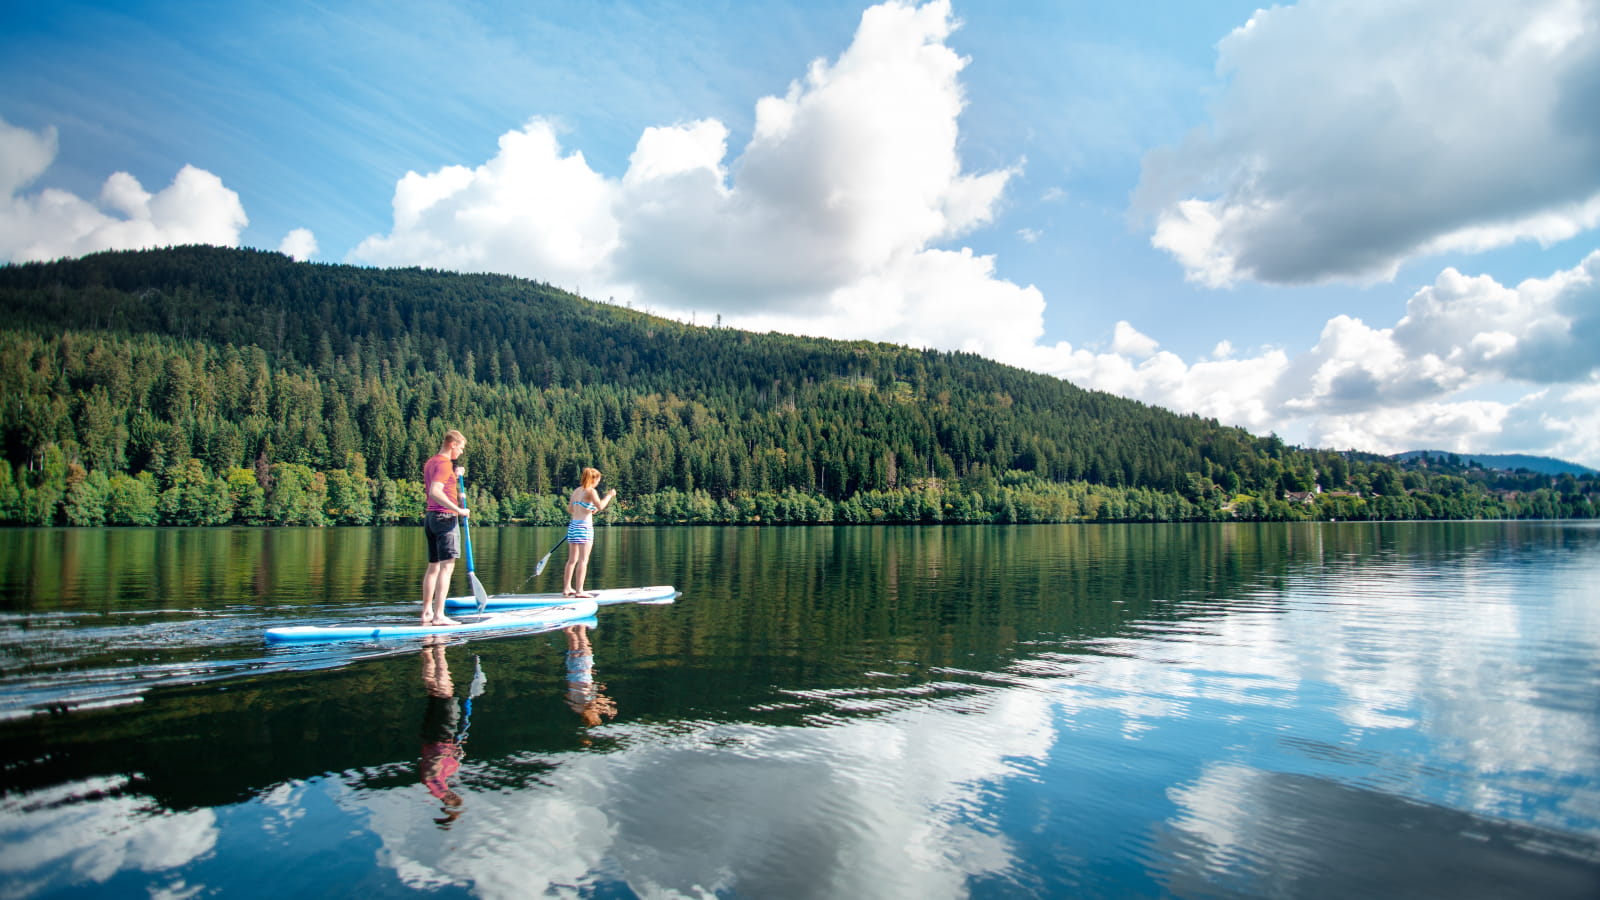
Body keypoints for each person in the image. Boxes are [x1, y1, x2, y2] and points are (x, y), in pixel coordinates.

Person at [422, 430, 469, 626]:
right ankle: (439, 615)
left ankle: (426, 613)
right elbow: (435, 491)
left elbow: (441, 484)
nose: (461, 452)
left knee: (433, 566)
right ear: (452, 444)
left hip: (431, 517)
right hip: (445, 518)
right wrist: (459, 509)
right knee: (447, 567)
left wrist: (455, 475)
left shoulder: (432, 462)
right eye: (461, 448)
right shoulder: (444, 463)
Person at [418, 639, 464, 825]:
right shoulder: (443, 782)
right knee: (434, 691)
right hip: (436, 738)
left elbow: (430, 774)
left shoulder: (437, 788)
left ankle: (440, 650)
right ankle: (428, 651)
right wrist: (455, 753)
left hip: (440, 737)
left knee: (445, 692)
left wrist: (446, 753)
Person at [562, 467, 616, 598]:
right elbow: (601, 506)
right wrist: (609, 495)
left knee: (571, 560)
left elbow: (571, 509)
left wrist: (589, 508)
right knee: (583, 560)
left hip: (573, 526)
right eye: (598, 480)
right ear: (593, 479)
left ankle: (567, 588)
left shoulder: (577, 491)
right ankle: (579, 591)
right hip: (584, 528)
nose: (598, 482)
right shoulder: (591, 491)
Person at [564, 623, 617, 728]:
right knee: (572, 640)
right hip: (571, 674)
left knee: (583, 641)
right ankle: (568, 623)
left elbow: (596, 694)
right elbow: (567, 696)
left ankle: (581, 621)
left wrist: (608, 707)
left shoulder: (590, 705)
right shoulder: (576, 707)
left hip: (583, 671)